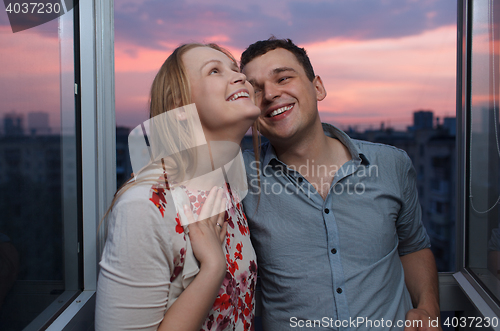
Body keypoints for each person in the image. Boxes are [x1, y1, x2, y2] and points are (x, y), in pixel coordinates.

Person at [240, 38, 441, 331]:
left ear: (318, 87)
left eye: (283, 78)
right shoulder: (237, 175)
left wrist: (429, 308)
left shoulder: (390, 164)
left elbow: (413, 246)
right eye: (254, 91)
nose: (270, 94)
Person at [95, 43, 260, 331]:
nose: (240, 77)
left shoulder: (229, 190)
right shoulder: (144, 207)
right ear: (179, 108)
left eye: (236, 69)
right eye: (215, 71)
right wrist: (212, 269)